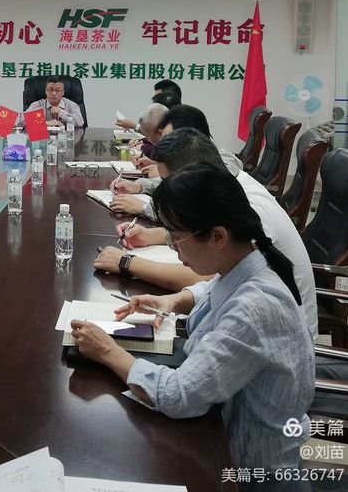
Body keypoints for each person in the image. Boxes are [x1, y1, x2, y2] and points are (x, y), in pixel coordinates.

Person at [72, 164, 314, 481]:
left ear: (218, 237)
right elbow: (213, 288)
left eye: (176, 238)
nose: (174, 249)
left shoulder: (255, 310)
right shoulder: (248, 261)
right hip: (221, 432)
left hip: (248, 471)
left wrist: (107, 351)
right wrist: (174, 300)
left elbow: (178, 395)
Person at [99, 128, 318, 340]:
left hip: (270, 334)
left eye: (167, 182)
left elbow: (205, 276)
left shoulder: (248, 209)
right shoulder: (229, 192)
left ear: (194, 178)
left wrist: (128, 263)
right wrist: (154, 236)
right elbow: (219, 284)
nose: (164, 189)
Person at [116, 80, 182, 130]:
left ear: (169, 97)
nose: (156, 101)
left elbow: (158, 138)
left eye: (159, 97)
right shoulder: (163, 115)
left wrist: (135, 126)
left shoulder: (180, 121)